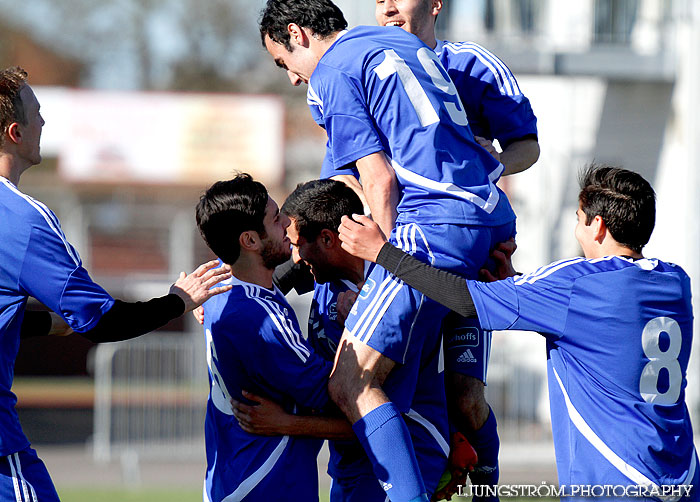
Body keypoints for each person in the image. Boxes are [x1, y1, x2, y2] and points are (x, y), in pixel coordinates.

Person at [260, 1, 516, 500]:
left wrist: (383, 266)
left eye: (282, 61)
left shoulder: (332, 72)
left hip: (433, 227)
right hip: (485, 219)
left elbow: (377, 180)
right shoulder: (401, 43)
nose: (292, 79)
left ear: (297, 33)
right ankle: (484, 482)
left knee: (352, 382)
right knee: (465, 397)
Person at [338, 164, 699, 501]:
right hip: (682, 476)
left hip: (615, 479)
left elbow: (465, 299)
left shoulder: (577, 283)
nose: (577, 231)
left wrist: (383, 253)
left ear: (599, 226)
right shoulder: (674, 282)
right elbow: (601, 328)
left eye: (578, 220)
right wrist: (516, 286)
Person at [0, 66, 231, 502]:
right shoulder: (23, 220)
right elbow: (102, 321)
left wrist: (48, 325)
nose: (44, 123)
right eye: (37, 113)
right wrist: (177, 301)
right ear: (15, 132)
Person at [372, 1, 539, 494]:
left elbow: (527, 146)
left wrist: (486, 170)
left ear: (436, 4)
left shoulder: (470, 64)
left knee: (465, 398)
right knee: (390, 388)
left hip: (464, 259)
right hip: (397, 259)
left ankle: (487, 487)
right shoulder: (368, 68)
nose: (386, 6)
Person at [232, 178, 451, 502]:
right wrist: (215, 297)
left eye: (297, 244)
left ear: (326, 239)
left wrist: (285, 424)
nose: (294, 256)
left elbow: (373, 414)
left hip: (407, 452)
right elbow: (258, 276)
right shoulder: (322, 276)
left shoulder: (393, 294)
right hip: (350, 461)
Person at [196, 174, 356, 502]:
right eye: (275, 218)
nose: (287, 222)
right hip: (265, 481)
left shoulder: (219, 285)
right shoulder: (259, 318)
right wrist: (359, 325)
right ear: (250, 241)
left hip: (232, 475)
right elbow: (342, 397)